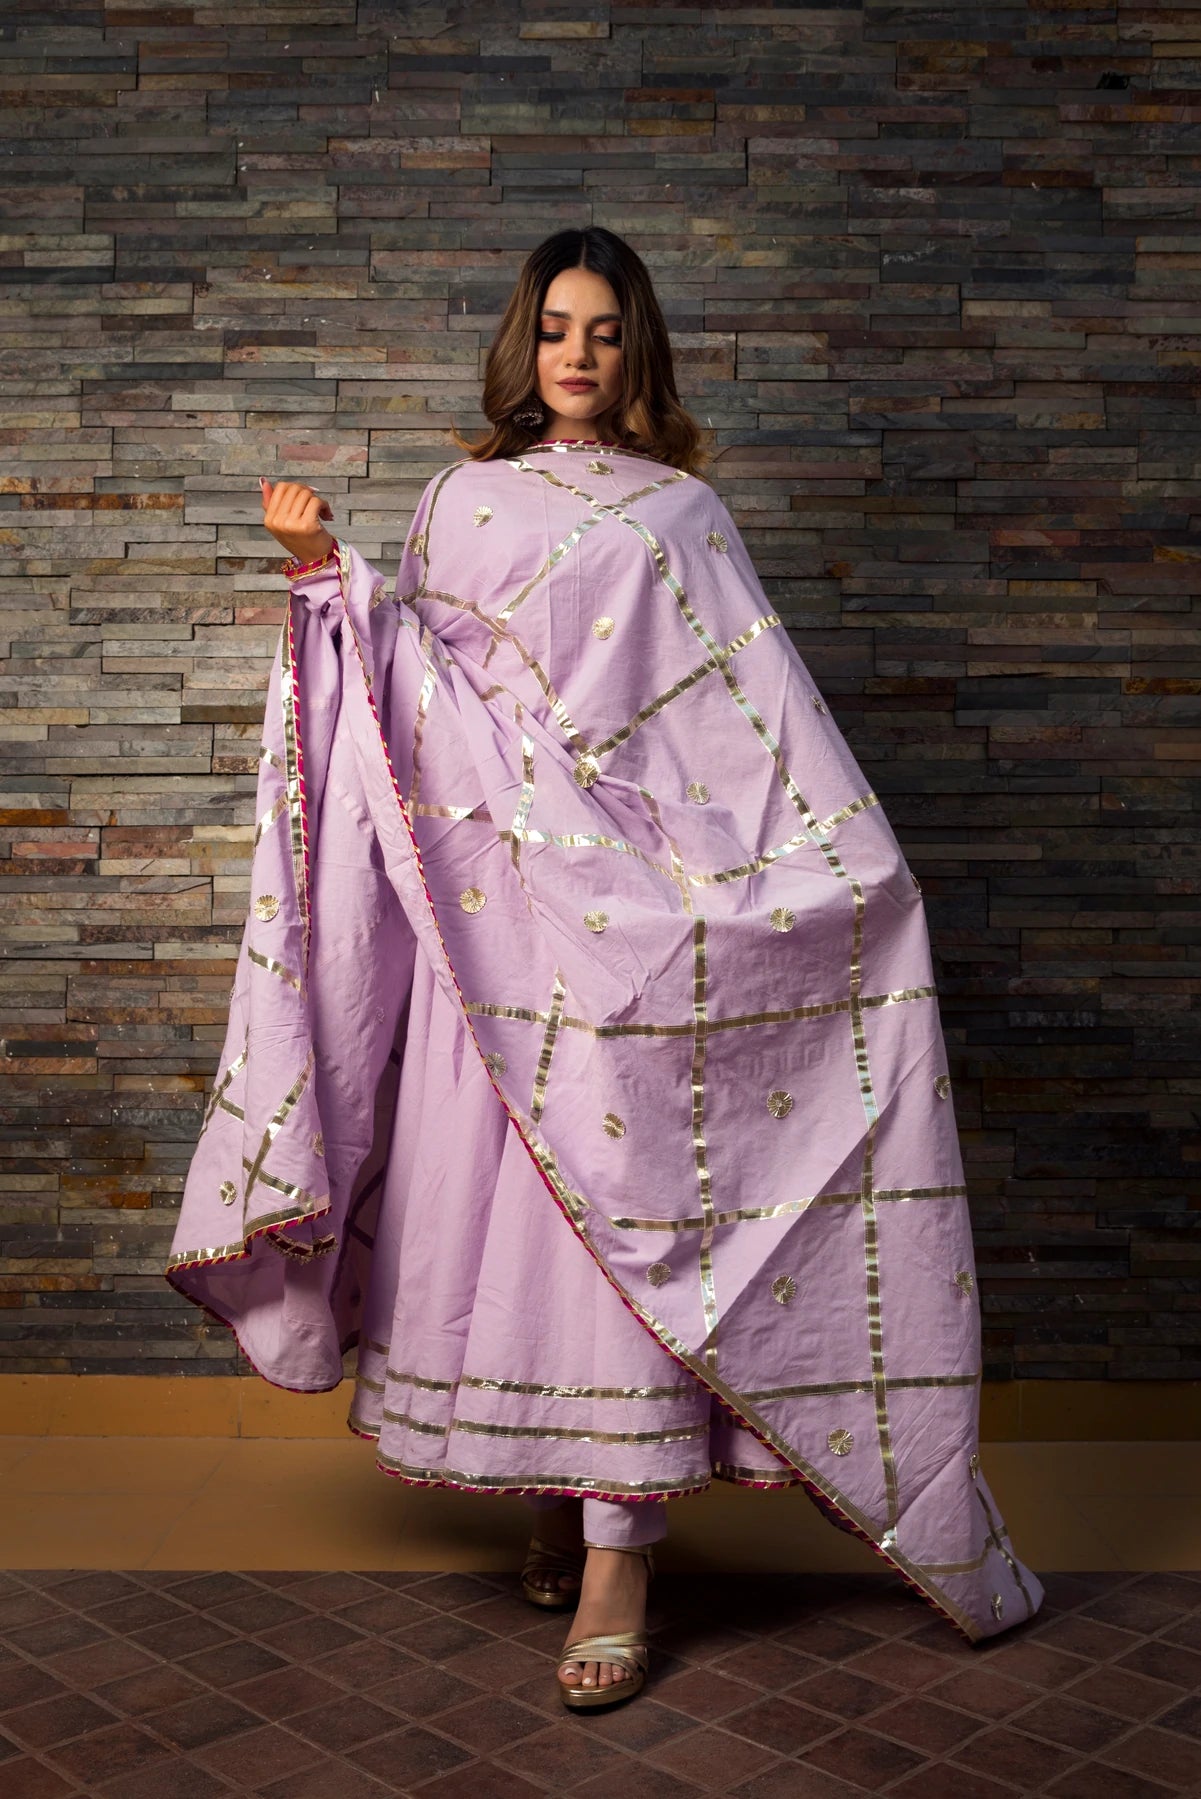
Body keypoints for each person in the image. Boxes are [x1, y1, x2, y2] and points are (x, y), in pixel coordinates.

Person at [167, 226, 1044, 1715]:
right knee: (521, 1236)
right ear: (525, 343)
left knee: (628, 1226)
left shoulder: (683, 515)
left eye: (607, 331)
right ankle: (548, 1503)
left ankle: (619, 1565)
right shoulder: (462, 500)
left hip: (644, 932)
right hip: (499, 932)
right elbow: (413, 701)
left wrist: (834, 877)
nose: (577, 355)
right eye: (556, 328)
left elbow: (744, 730)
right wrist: (326, 580)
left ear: (640, 350)